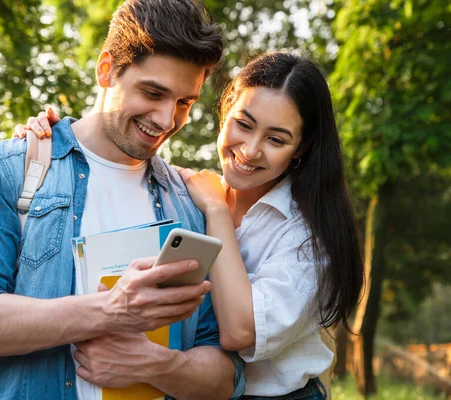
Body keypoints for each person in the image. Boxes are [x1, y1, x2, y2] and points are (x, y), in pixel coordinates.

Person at [0, 1, 245, 399]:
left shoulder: (190, 202)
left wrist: (158, 365)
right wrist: (110, 310)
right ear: (106, 69)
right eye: (153, 92)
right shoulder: (13, 167)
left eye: (185, 102)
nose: (167, 119)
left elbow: (228, 378)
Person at [21, 52, 364, 399]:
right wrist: (54, 136)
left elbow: (241, 333)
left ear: (300, 148)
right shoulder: (185, 191)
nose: (250, 150)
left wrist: (216, 212)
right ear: (225, 111)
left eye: (276, 139)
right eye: (243, 124)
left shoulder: (306, 234)